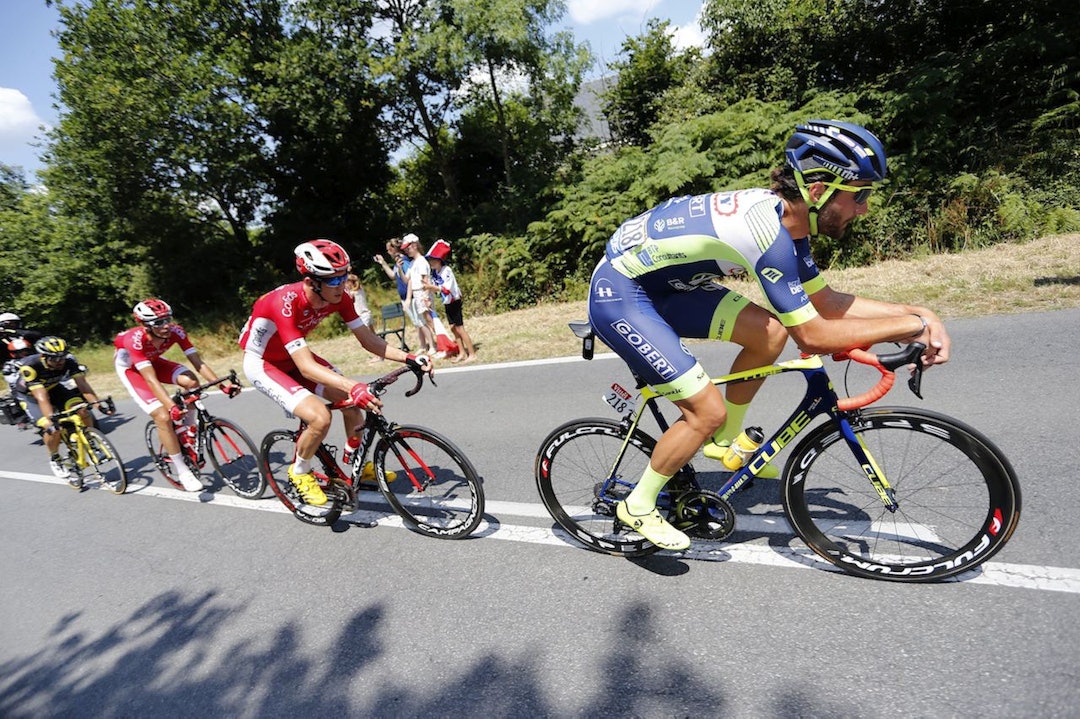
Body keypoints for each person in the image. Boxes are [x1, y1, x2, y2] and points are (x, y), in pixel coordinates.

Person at [587, 119, 951, 551]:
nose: (864, 209)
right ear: (819, 191)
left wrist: (919, 313)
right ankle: (638, 504)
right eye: (859, 195)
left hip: (670, 287)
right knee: (705, 411)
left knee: (770, 333)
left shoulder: (792, 226)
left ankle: (725, 442)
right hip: (622, 293)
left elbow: (827, 303)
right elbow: (813, 336)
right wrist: (911, 328)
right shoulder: (769, 236)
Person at [239, 239, 432, 506]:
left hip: (293, 356)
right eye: (333, 280)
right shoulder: (285, 302)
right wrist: (354, 386)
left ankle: (355, 462)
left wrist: (409, 357)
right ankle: (299, 472)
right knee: (320, 417)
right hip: (264, 363)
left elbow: (368, 340)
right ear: (311, 282)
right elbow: (306, 367)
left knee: (352, 403)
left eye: (344, 277)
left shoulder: (339, 297)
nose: (342, 285)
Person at [114, 298, 238, 492]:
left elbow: (198, 363)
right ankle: (183, 471)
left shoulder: (177, 331)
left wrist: (222, 385)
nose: (166, 326)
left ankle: (188, 429)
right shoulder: (135, 340)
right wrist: (171, 407)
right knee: (163, 416)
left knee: (191, 382)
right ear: (145, 325)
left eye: (167, 319)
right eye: (158, 322)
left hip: (154, 361)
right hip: (133, 370)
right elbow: (151, 380)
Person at [11, 336, 114, 487]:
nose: (60, 361)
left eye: (62, 357)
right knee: (53, 429)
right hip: (31, 396)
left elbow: (83, 385)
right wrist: (51, 419)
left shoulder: (69, 361)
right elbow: (42, 397)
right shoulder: (31, 366)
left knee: (82, 409)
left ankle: (91, 442)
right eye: (54, 358)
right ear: (44, 356)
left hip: (54, 388)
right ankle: (55, 458)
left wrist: (98, 405)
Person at [375, 237, 435, 354]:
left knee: (421, 322)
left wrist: (408, 298)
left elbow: (410, 280)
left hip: (412, 296)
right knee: (417, 323)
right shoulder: (398, 262)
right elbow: (393, 275)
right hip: (406, 297)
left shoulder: (405, 261)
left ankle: (432, 345)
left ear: (394, 249)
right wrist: (383, 263)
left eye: (389, 249)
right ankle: (423, 345)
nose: (388, 252)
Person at [423, 239, 477, 363]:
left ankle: (472, 353)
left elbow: (446, 289)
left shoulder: (446, 271)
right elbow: (436, 288)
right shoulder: (435, 272)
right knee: (453, 327)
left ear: (439, 260)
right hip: (447, 302)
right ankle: (462, 352)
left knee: (460, 328)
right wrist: (429, 293)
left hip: (454, 301)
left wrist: (430, 287)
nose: (431, 262)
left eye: (432, 260)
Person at [401, 234, 442, 357]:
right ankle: (433, 345)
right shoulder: (412, 263)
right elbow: (407, 280)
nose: (407, 251)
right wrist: (399, 268)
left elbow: (425, 280)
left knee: (430, 321)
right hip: (416, 293)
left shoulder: (422, 262)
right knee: (422, 322)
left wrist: (426, 297)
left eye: (408, 248)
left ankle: (440, 344)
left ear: (415, 245)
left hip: (423, 292)